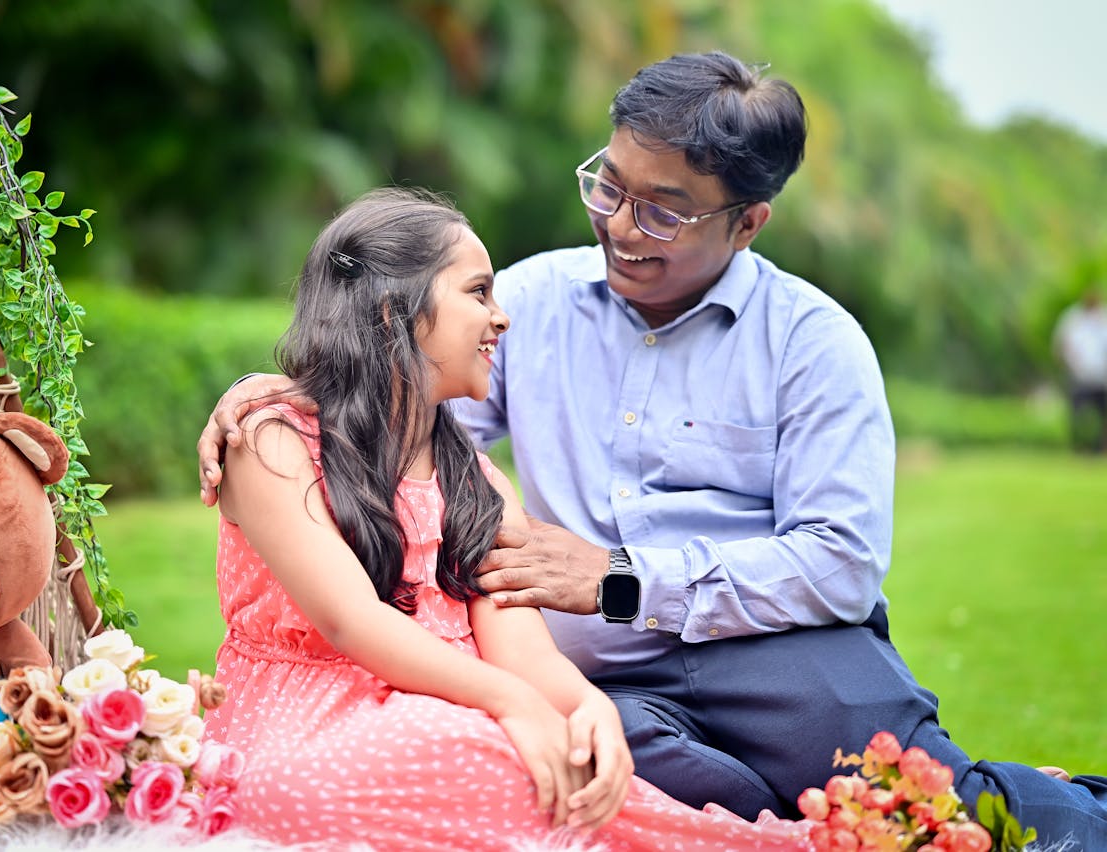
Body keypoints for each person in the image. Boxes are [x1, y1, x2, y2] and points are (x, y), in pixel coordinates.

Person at [198, 54, 1107, 846]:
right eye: (610, 186)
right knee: (696, 804)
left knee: (927, 810)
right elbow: (410, 435)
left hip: (777, 651)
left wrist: (620, 580)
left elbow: (841, 563)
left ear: (746, 223)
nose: (623, 226)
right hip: (597, 664)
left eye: (665, 212)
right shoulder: (534, 300)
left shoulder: (813, 343)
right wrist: (286, 394)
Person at [200, 187, 812, 850]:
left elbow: (520, 648)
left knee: (558, 763)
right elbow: (351, 620)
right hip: (312, 723)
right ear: (392, 313)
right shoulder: (273, 444)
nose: (502, 318)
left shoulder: (479, 481)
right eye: (478, 292)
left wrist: (585, 706)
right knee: (431, 766)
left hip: (456, 713)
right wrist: (513, 704)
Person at [1052, 288, 1107, 452]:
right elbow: (1061, 346)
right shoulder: (1072, 318)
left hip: (1102, 377)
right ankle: (1078, 446)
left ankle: (1101, 448)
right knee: (1077, 414)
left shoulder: (1104, 318)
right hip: (1079, 376)